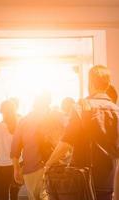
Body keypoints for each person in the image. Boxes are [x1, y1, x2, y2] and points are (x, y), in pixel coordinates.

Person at [45, 65, 119, 200]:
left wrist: (48, 164)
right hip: (108, 180)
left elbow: (66, 143)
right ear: (108, 84)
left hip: (82, 179)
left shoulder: (81, 108)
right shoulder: (116, 111)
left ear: (90, 83)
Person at [11, 92, 56, 200]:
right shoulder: (52, 119)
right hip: (51, 169)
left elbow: (15, 148)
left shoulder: (24, 121)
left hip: (31, 170)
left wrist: (16, 169)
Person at [0, 99, 22, 200]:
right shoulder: (20, 126)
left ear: (1, 111)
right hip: (18, 166)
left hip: (2, 168)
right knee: (14, 195)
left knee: (2, 196)